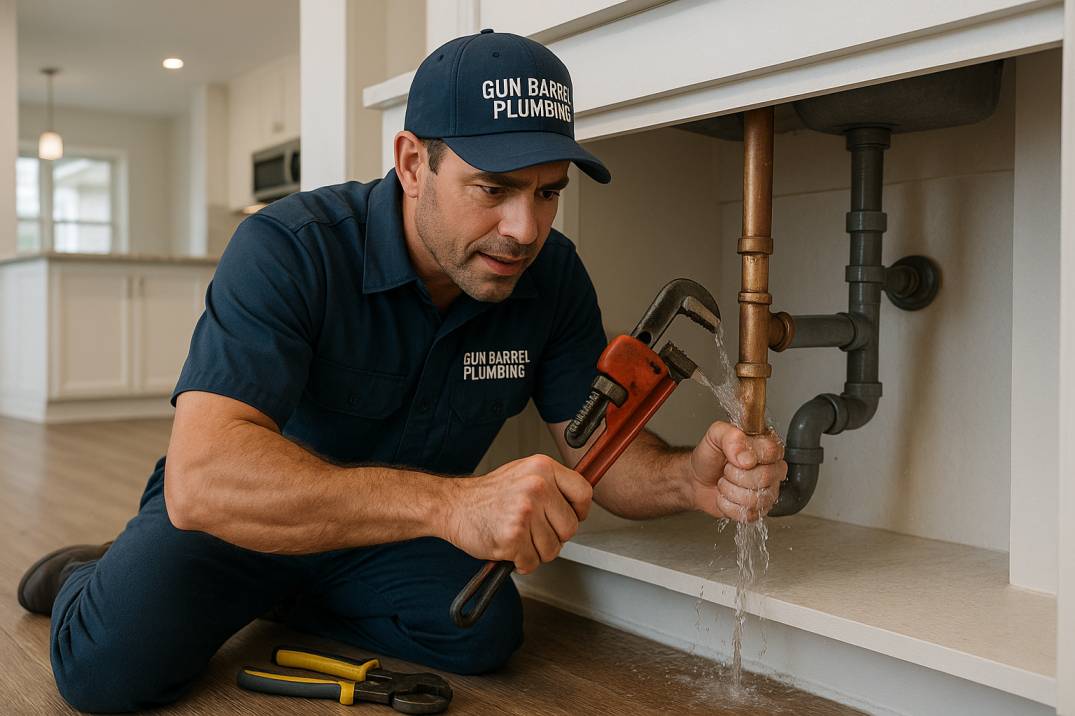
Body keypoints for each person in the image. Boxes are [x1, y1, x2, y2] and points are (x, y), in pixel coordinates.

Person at [18, 29, 786, 713]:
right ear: (414, 162)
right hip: (246, 522)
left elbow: (600, 455)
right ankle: (95, 575)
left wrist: (690, 478)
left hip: (385, 535)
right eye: (493, 189)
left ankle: (283, 597)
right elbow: (204, 478)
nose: (525, 229)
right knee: (105, 674)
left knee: (483, 632)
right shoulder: (290, 248)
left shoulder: (551, 276)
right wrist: (449, 506)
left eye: (547, 193)